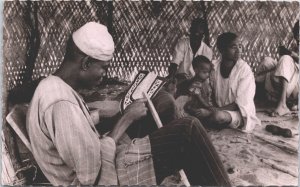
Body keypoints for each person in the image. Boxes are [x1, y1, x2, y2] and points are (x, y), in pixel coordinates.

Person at [26, 22, 231, 186]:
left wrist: (100, 114)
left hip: (101, 154)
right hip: (110, 174)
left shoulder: (51, 86)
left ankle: (189, 159)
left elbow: (73, 131)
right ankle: (192, 158)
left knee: (159, 104)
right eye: (103, 68)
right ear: (86, 63)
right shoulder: (61, 104)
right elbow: (90, 176)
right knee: (189, 129)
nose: (103, 76)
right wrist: (123, 121)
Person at [193, 32, 260, 133]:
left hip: (238, 113)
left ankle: (206, 120)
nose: (239, 50)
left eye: (240, 46)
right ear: (222, 49)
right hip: (217, 108)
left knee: (217, 117)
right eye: (234, 47)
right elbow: (207, 89)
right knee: (192, 109)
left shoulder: (244, 70)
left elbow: (239, 104)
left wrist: (211, 111)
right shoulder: (214, 67)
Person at [255, 20, 299, 116]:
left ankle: (282, 104)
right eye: (297, 34)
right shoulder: (296, 47)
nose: (298, 37)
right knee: (267, 61)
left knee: (286, 59)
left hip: (297, 87)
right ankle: (255, 95)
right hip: (287, 82)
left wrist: (290, 55)